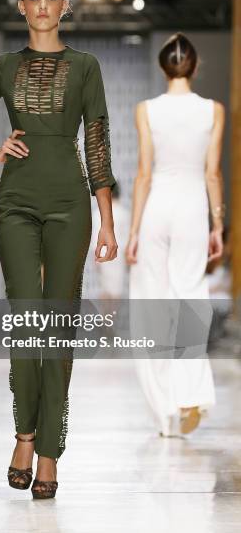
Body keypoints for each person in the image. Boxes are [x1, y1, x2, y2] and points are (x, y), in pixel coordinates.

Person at [0, 0, 117, 499]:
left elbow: (97, 143)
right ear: (21, 6)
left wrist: (107, 221)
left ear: (65, 6)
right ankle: (23, 434)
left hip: (71, 201)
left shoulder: (86, 66)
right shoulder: (3, 67)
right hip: (15, 200)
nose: (43, 6)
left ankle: (48, 452)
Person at [125, 32, 225, 437]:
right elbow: (212, 173)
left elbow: (144, 173)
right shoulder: (213, 110)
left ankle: (164, 409)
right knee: (190, 301)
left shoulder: (146, 109)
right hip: (190, 211)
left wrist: (132, 231)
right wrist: (217, 223)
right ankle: (190, 395)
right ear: (195, 66)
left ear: (163, 67)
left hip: (156, 210)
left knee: (152, 307)